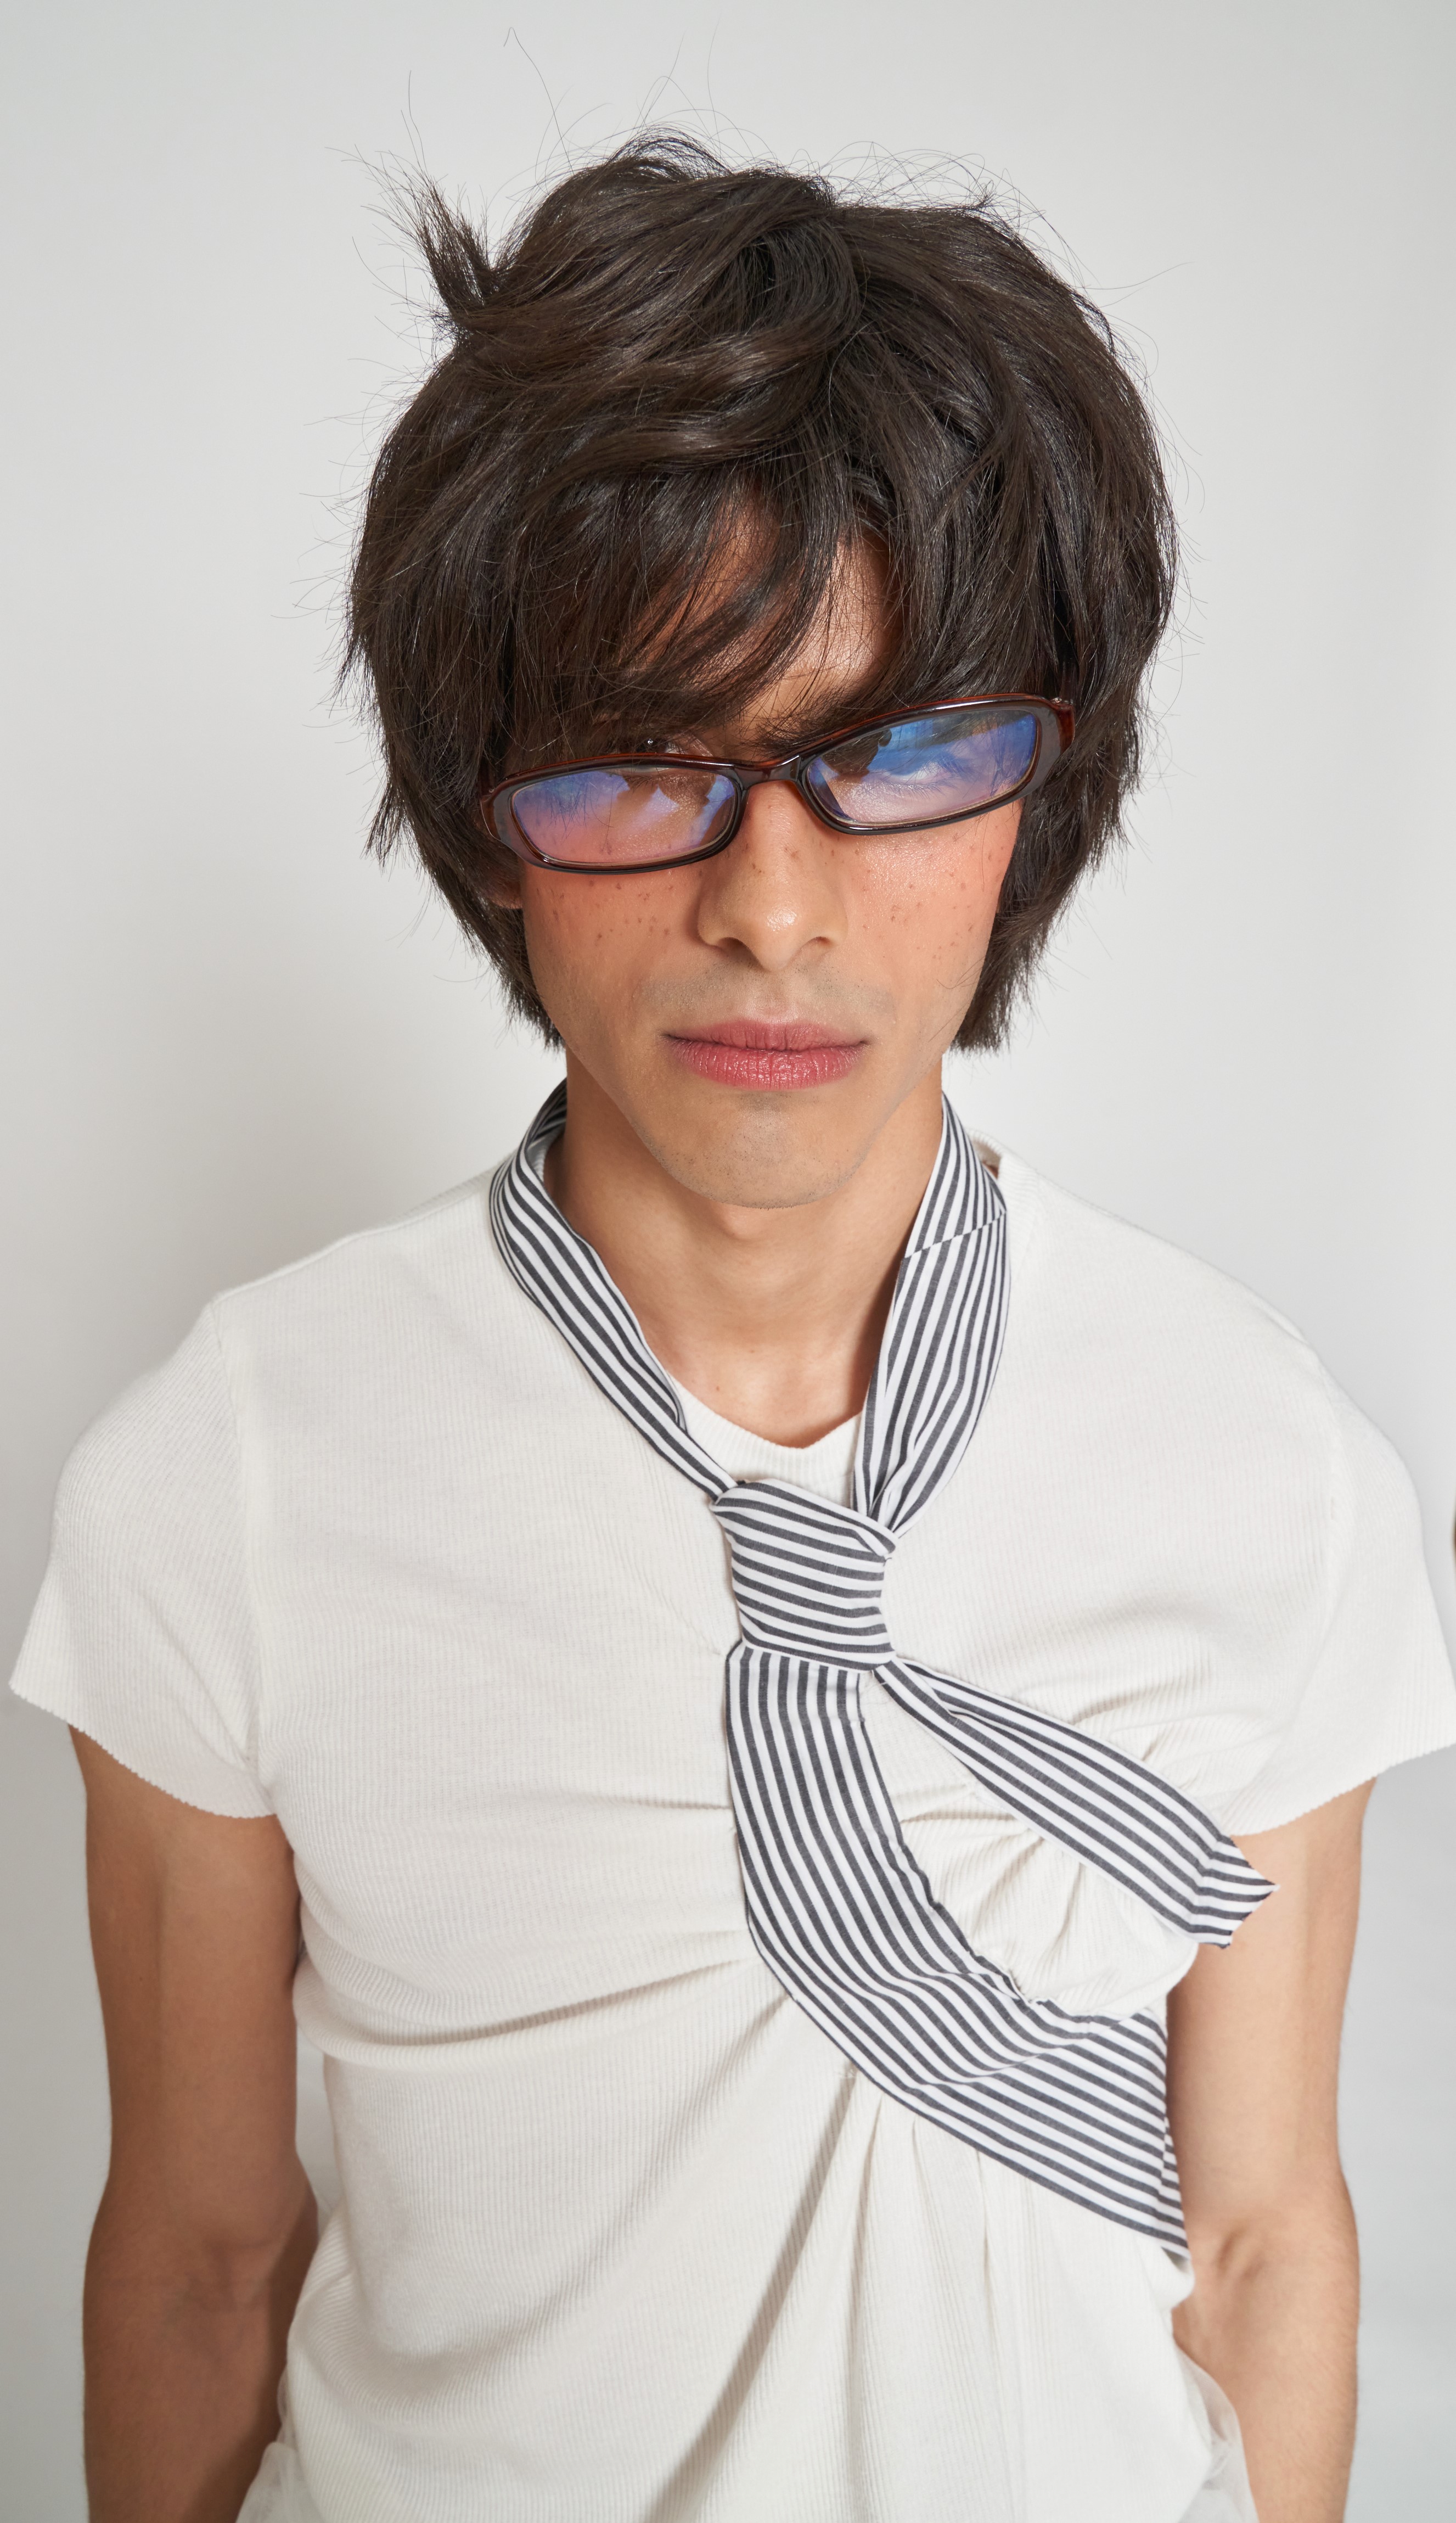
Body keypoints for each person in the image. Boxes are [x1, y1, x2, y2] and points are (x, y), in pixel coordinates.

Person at [11, 135, 1454, 2523]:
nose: (773, 907)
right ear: (487, 812)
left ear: (1040, 791)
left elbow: (1264, 2241)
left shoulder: (1265, 1457)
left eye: (899, 754)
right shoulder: (230, 1466)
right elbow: (198, 2258)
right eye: (649, 764)